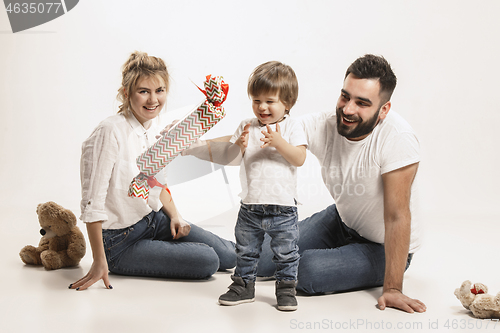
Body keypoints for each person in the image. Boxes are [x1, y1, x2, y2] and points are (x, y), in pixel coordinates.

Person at [184, 55, 426, 313]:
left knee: (307, 271)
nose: (348, 109)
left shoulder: (397, 138)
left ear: (384, 109)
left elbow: (398, 216)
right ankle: (175, 227)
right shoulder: (326, 123)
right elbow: (255, 136)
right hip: (342, 221)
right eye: (345, 96)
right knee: (264, 258)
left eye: (362, 103)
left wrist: (393, 288)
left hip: (382, 245)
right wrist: (191, 146)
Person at [70, 51, 236, 291]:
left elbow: (156, 184)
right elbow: (91, 204)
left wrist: (176, 216)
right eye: (143, 91)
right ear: (126, 93)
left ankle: (281, 255)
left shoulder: (154, 126)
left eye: (159, 90)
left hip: (151, 219)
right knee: (209, 260)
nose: (153, 100)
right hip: (120, 242)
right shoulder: (109, 132)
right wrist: (99, 261)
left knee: (228, 255)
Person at [216, 61, 307, 311]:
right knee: (246, 250)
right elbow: (231, 160)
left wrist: (279, 142)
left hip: (283, 208)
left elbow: (299, 158)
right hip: (250, 207)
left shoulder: (291, 127)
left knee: (286, 252)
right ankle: (244, 285)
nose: (262, 107)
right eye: (256, 101)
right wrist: (238, 147)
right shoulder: (248, 125)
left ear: (287, 103)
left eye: (270, 101)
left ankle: (286, 288)